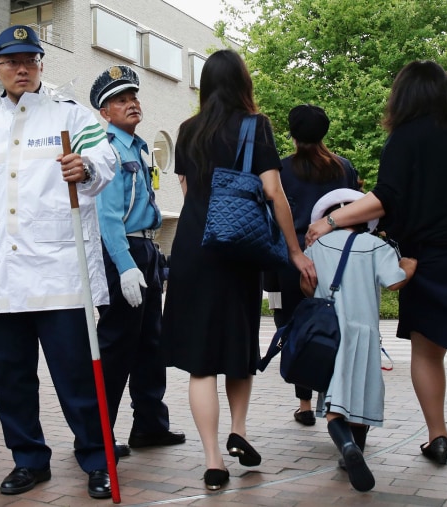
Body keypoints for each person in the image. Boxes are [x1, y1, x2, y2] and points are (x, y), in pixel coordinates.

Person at [305, 60, 447, 494]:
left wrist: (331, 222)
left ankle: (438, 437)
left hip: (431, 258)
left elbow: (385, 198)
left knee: (428, 351)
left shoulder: (405, 137)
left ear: (403, 96)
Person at [0, 25, 117, 499]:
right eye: (12, 61)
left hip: (59, 269)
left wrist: (86, 168)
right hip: (5, 274)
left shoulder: (70, 116)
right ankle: (28, 459)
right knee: (11, 377)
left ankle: (96, 459)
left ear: (41, 65)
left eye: (31, 59)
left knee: (76, 376)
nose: (22, 67)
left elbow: (103, 159)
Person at [160, 49, 317, 491]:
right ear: (243, 83)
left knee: (200, 363)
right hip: (239, 250)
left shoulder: (188, 130)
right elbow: (273, 192)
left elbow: (190, 191)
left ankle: (213, 461)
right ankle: (239, 431)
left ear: (206, 85)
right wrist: (294, 250)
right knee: (237, 346)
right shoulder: (255, 125)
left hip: (193, 248)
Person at [89, 65, 184, 457]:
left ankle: (149, 425)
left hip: (146, 249)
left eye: (133, 97)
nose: (132, 104)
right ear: (104, 112)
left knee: (150, 343)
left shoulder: (140, 147)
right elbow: (106, 216)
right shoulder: (106, 149)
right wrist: (125, 265)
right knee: (117, 346)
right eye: (121, 100)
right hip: (120, 253)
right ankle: (97, 436)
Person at [301, 188, 416, 491]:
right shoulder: (375, 246)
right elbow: (394, 282)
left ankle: (346, 448)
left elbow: (308, 288)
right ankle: (356, 449)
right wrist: (409, 266)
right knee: (361, 395)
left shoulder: (318, 244)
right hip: (364, 333)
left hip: (330, 333)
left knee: (333, 403)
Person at [263, 104, 361, 427]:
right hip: (335, 258)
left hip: (292, 261)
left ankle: (305, 404)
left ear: (291, 134)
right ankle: (337, 401)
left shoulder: (281, 170)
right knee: (337, 326)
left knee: (295, 327)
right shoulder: (343, 168)